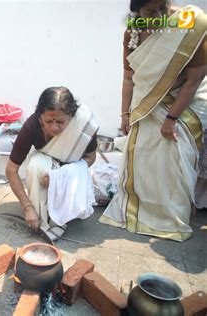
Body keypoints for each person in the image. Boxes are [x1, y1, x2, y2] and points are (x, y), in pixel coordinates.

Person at [99, 1, 207, 241]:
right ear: (137, 12)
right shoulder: (134, 30)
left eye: (163, 7)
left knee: (173, 155)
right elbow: (129, 77)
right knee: (141, 156)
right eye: (150, 12)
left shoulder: (189, 23)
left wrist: (171, 118)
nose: (159, 16)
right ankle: (139, 211)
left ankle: (170, 216)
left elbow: (195, 78)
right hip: (146, 103)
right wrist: (125, 113)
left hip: (183, 103)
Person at [6, 87, 99, 240]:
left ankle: (59, 220)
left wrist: (61, 176)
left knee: (57, 173)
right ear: (40, 116)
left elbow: (90, 157)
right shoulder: (32, 126)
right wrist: (27, 207)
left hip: (70, 170)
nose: (54, 127)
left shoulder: (83, 124)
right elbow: (11, 170)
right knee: (36, 164)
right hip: (45, 169)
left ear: (71, 117)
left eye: (61, 122)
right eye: (48, 121)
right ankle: (40, 219)